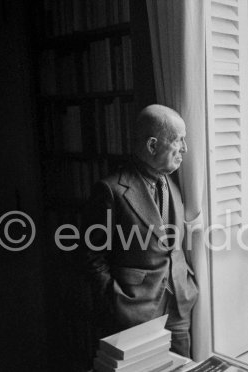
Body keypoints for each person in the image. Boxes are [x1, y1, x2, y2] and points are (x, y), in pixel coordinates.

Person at [80, 104, 198, 358]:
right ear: (152, 146)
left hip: (178, 302)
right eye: (178, 140)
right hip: (134, 310)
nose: (185, 149)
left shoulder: (173, 182)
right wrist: (115, 300)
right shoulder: (110, 190)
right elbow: (91, 254)